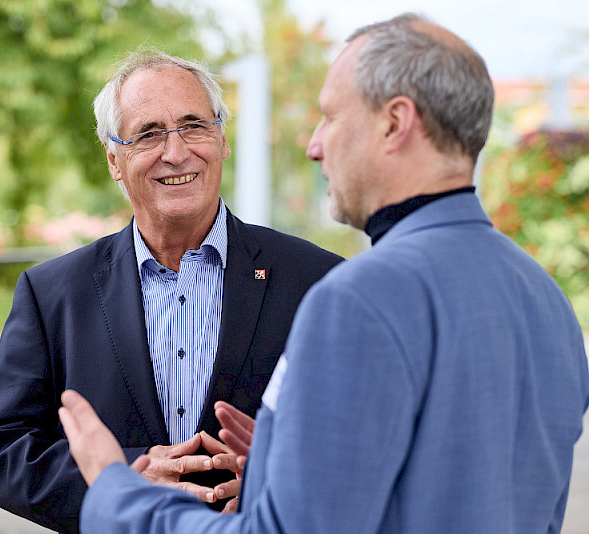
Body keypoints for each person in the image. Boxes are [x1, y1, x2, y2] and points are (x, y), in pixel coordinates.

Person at [58, 13, 589, 534]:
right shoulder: (545, 298)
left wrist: (114, 488)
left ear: (394, 123)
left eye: (330, 117)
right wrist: (276, 467)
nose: (314, 145)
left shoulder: (357, 299)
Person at [0, 48, 343, 533]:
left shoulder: (318, 280)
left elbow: (362, 440)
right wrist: (121, 479)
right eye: (149, 134)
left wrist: (278, 480)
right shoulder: (53, 293)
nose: (176, 151)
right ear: (115, 161)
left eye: (194, 126)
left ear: (222, 139)